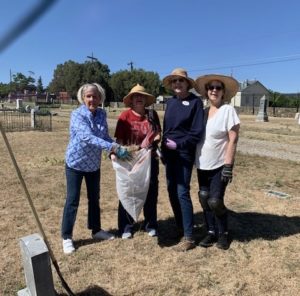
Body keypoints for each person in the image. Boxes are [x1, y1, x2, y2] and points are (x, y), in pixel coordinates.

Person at [61, 83, 130, 254]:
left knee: (94, 198)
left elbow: (104, 136)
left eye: (95, 96)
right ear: (83, 98)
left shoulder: (101, 113)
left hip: (93, 165)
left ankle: (96, 230)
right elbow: (86, 137)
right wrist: (113, 148)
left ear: (100, 98)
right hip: (75, 163)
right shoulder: (77, 114)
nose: (92, 99)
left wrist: (115, 148)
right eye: (88, 96)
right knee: (73, 200)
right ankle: (67, 237)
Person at [194, 74, 240, 250]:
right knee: (204, 198)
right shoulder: (203, 112)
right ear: (206, 91)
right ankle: (211, 232)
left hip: (219, 165)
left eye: (218, 87)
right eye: (210, 87)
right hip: (202, 164)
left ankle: (223, 233)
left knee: (215, 201)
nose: (214, 90)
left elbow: (233, 139)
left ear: (223, 92)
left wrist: (228, 166)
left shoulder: (228, 111)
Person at [161, 68, 204, 251]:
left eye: (181, 81)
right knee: (171, 190)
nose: (177, 84)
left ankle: (189, 237)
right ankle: (180, 227)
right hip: (169, 154)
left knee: (182, 192)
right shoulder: (170, 103)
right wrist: (163, 148)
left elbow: (196, 132)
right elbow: (166, 129)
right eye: (174, 81)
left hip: (184, 154)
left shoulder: (195, 103)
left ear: (188, 84)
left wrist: (179, 146)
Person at [112, 84, 161, 239]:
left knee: (150, 191)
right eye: (135, 96)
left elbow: (158, 135)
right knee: (128, 190)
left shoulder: (152, 115)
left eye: (142, 96)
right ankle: (126, 227)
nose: (139, 98)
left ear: (146, 99)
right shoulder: (125, 116)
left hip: (149, 160)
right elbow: (119, 140)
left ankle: (150, 225)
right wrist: (120, 153)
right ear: (131, 100)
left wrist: (151, 143)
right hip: (130, 160)